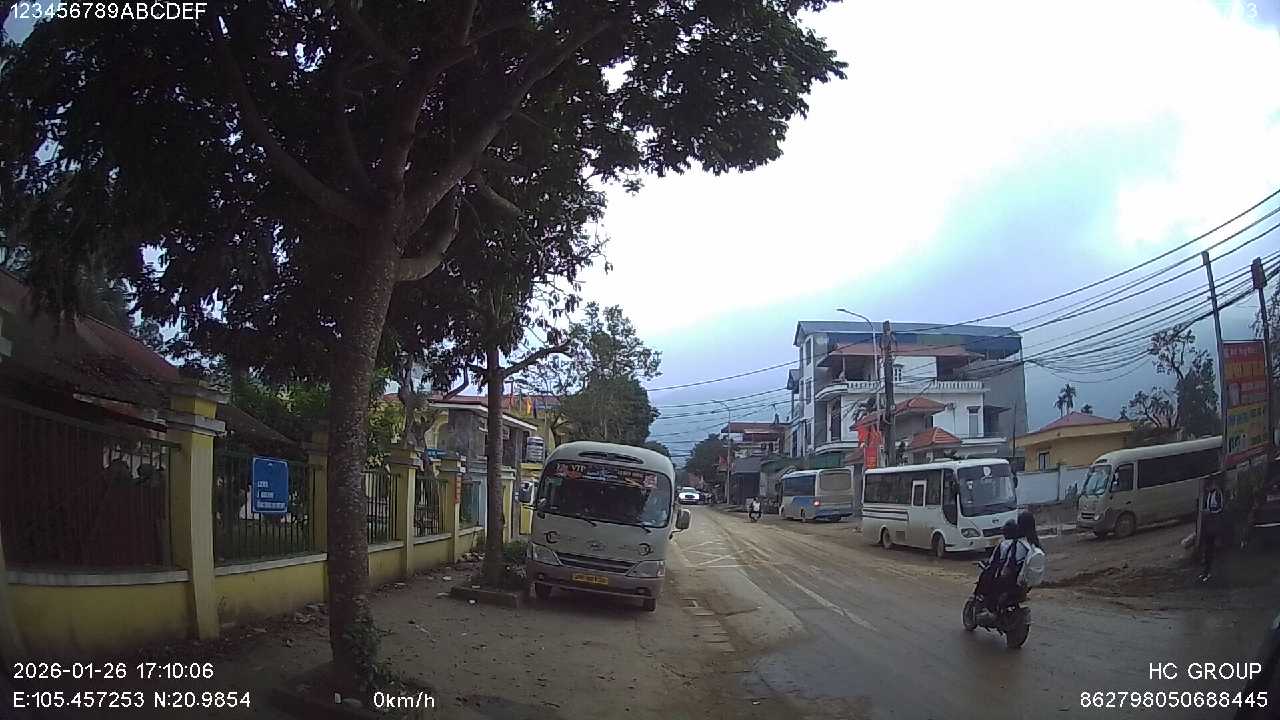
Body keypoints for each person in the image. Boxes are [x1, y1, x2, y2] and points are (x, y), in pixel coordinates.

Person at [1199, 474, 1225, 582]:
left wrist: (1210, 512)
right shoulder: (1208, 494)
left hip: (1215, 523)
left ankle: (1213, 571)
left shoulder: (1218, 493)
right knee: (1208, 548)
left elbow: (1220, 508)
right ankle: (1206, 571)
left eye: (1208, 486)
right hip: (1209, 524)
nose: (1207, 489)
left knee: (1214, 548)